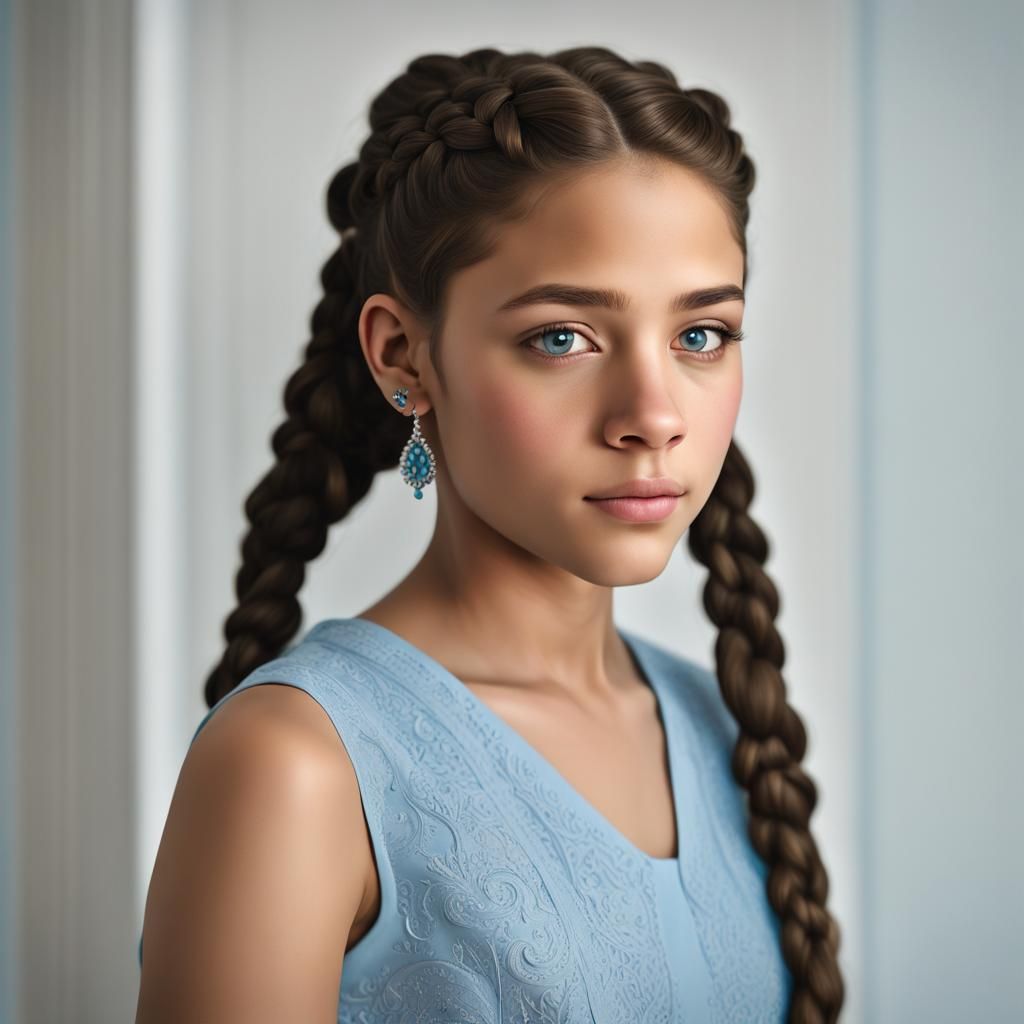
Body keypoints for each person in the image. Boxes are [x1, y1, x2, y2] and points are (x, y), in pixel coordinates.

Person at [134, 45, 844, 1024]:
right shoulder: (294, 765)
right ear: (403, 356)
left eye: (699, 336)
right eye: (562, 337)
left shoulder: (714, 719)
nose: (653, 414)